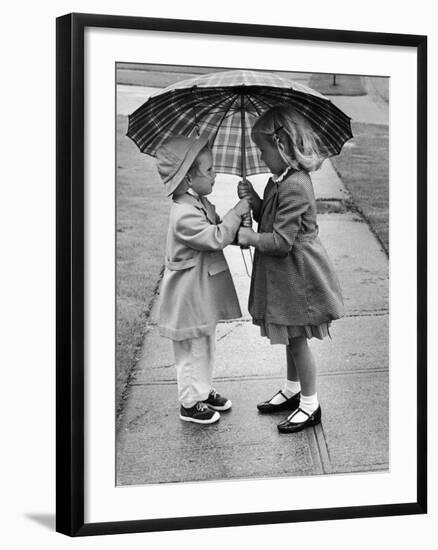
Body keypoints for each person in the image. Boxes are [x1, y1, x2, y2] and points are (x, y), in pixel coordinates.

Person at [237, 104, 344, 434]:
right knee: (288, 334)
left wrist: (249, 237)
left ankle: (310, 404)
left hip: (299, 276)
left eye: (264, 150)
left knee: (297, 339)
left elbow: (282, 241)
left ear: (283, 146)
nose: (261, 156)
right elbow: (268, 217)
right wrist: (253, 200)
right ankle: (292, 389)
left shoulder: (296, 185)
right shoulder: (278, 180)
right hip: (284, 276)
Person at [156, 133, 250, 425]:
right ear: (187, 178)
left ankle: (203, 390)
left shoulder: (201, 204)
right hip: (187, 297)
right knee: (189, 351)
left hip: (201, 294)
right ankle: (189, 402)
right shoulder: (184, 214)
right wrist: (237, 213)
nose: (215, 174)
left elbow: (223, 230)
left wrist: (241, 231)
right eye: (209, 170)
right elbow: (214, 237)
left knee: (205, 345)